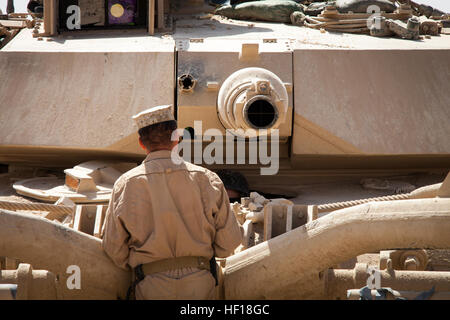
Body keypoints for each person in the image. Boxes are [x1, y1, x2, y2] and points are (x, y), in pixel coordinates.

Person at [102, 105, 242, 300]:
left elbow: (113, 249)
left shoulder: (126, 184)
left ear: (141, 144)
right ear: (177, 138)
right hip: (201, 282)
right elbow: (229, 244)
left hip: (150, 284)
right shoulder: (207, 179)